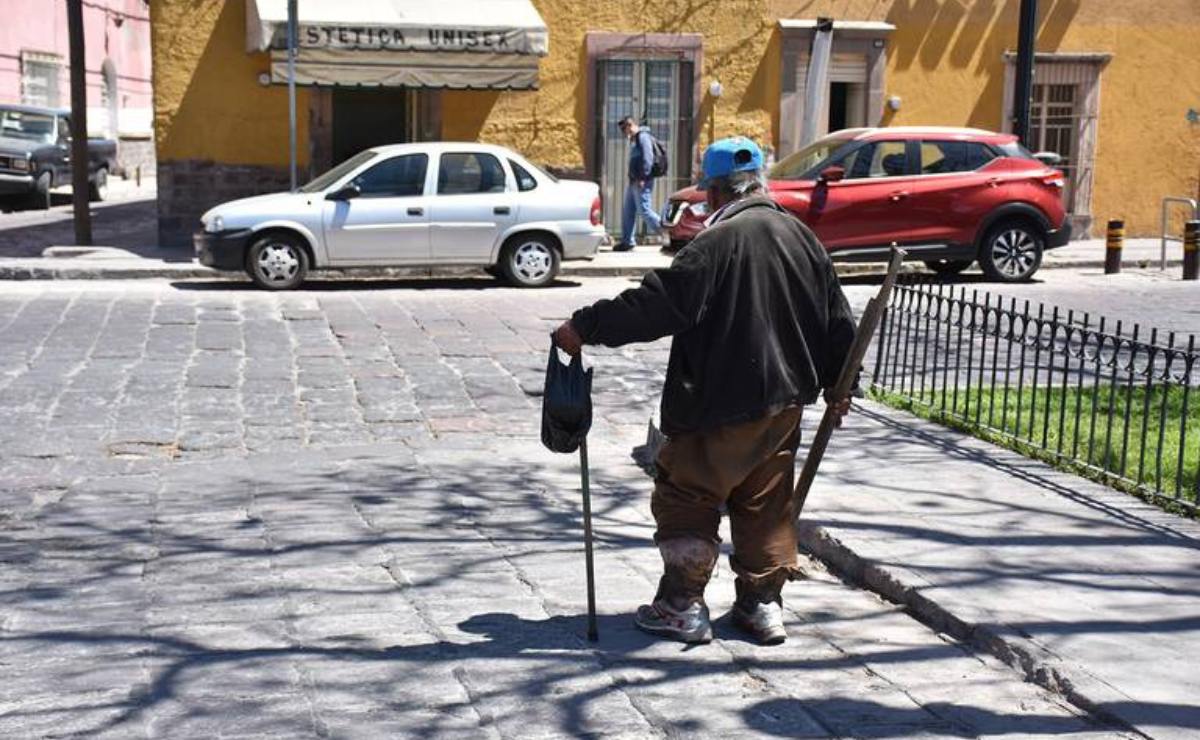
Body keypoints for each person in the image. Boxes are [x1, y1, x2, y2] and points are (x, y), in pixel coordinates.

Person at [554, 136, 856, 646]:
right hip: (783, 403)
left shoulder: (716, 244)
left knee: (688, 497)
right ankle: (762, 606)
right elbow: (837, 322)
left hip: (716, 403)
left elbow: (658, 306)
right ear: (759, 184)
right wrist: (840, 384)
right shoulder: (803, 238)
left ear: (714, 195)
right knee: (765, 503)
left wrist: (584, 325)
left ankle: (681, 605)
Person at [616, 116, 662, 251]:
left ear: (630, 125)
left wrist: (643, 177)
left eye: (624, 129)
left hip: (642, 181)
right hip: (634, 180)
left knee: (644, 211)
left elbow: (648, 158)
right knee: (628, 211)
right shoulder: (635, 139)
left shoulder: (643, 137)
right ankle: (627, 241)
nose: (625, 133)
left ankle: (669, 232)